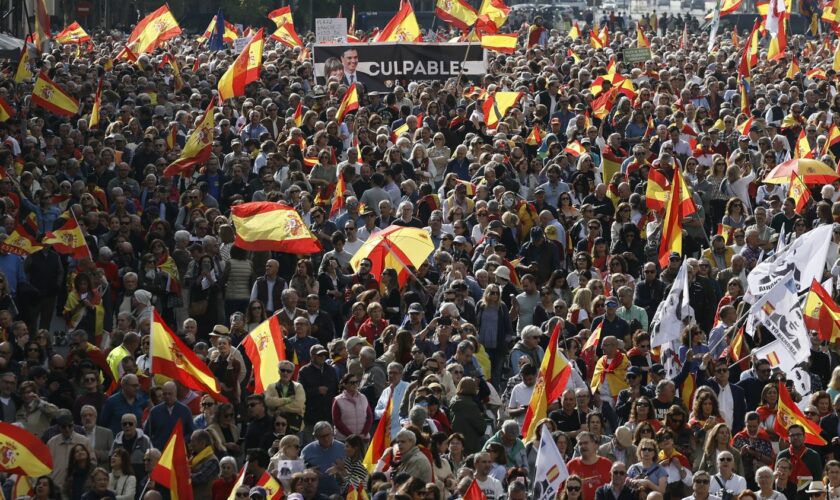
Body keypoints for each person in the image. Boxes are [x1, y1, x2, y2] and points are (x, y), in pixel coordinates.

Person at [568, 431, 613, 500]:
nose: (583, 446)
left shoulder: (607, 464)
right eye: (580, 444)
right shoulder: (571, 465)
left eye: (586, 443)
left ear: (595, 445)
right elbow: (561, 491)